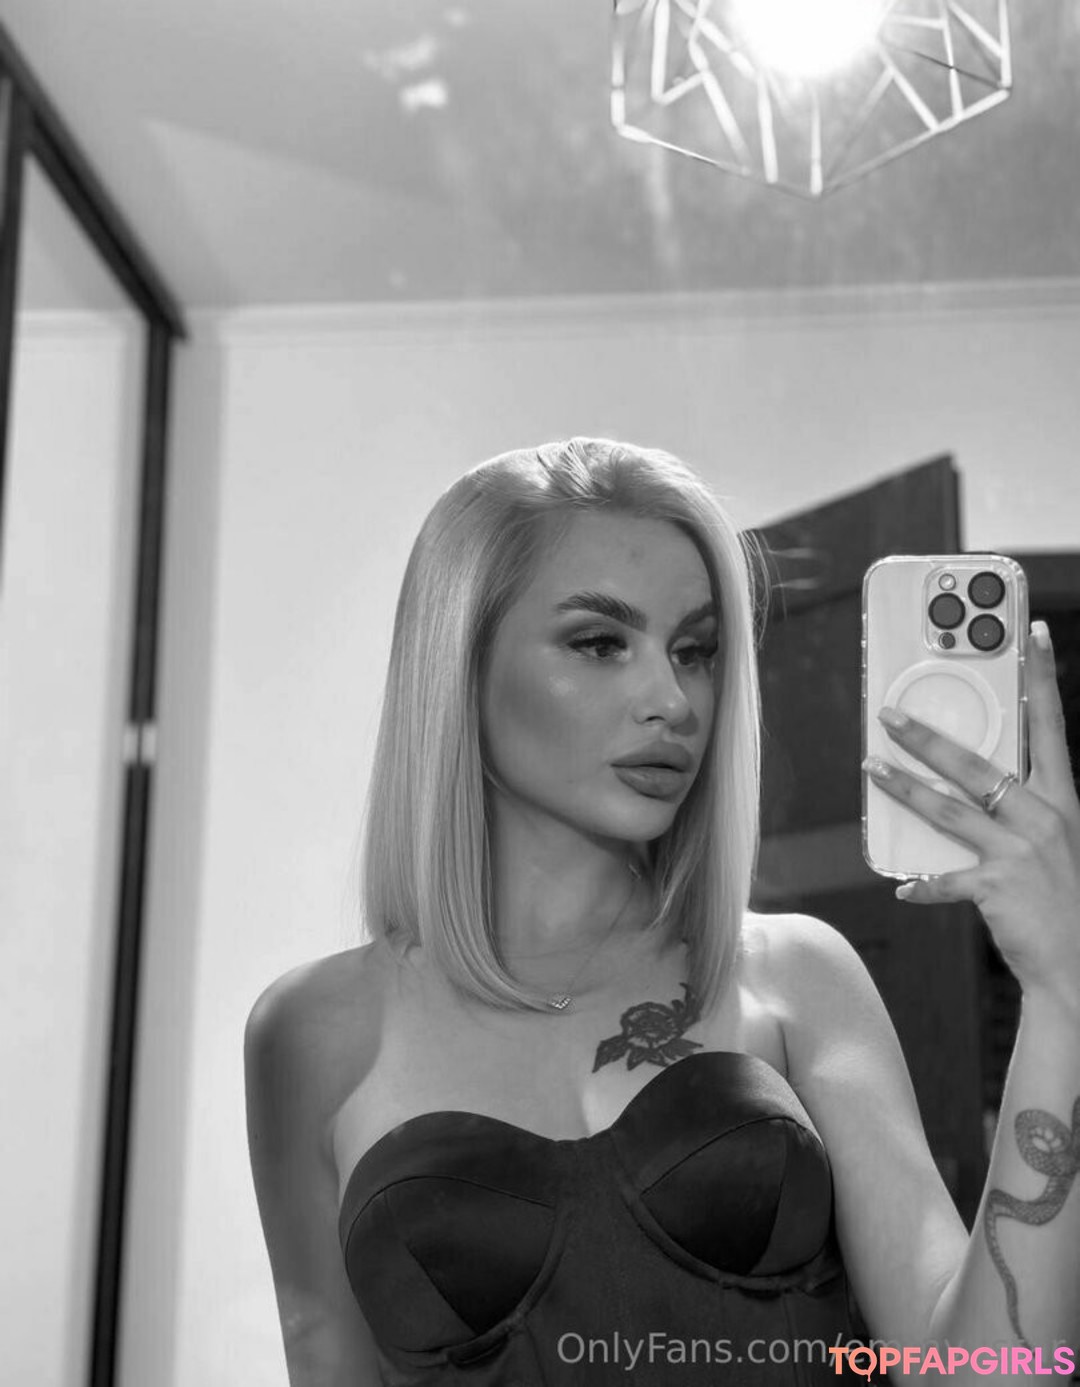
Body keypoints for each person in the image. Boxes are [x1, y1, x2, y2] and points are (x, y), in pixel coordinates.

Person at [244, 438, 1080, 1386]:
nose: (672, 699)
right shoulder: (312, 1031)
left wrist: (1063, 991)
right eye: (600, 643)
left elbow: (991, 1372)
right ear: (458, 665)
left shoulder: (794, 976)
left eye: (695, 651)